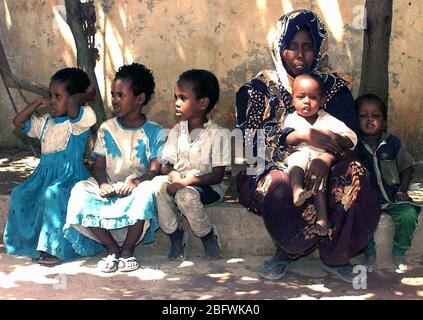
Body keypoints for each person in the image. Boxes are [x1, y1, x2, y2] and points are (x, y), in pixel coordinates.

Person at [235, 10, 381, 283]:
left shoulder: (333, 87)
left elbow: (351, 136)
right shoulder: (259, 88)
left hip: (327, 163)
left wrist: (325, 157)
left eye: (307, 47)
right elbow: (252, 145)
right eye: (292, 46)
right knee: (281, 185)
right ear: (280, 48)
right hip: (272, 166)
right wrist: (302, 138)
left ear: (318, 49)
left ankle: (337, 254)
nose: (300, 55)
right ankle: (285, 250)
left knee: (356, 174)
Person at [64, 63, 164, 273]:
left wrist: (135, 182)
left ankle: (127, 251)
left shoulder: (155, 132)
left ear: (140, 99)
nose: (115, 99)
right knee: (80, 191)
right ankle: (111, 249)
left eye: (121, 94)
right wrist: (102, 184)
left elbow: (154, 170)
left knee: (147, 193)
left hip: (137, 186)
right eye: (113, 94)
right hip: (109, 186)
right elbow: (99, 166)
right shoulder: (106, 128)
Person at [3, 67, 97, 265]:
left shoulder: (80, 121)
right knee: (20, 193)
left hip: (69, 177)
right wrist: (38, 102)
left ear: (75, 97)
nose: (52, 101)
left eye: (57, 96)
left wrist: (87, 95)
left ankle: (53, 248)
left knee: (53, 193)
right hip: (43, 176)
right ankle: (26, 244)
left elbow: (72, 103)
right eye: (50, 95)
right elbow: (18, 121)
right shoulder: (46, 121)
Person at [152, 69, 231, 261]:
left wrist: (186, 182)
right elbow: (165, 166)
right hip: (179, 183)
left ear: (202, 103)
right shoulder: (177, 131)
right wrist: (176, 177)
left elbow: (217, 175)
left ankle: (208, 236)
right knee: (156, 186)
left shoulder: (219, 134)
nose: (176, 103)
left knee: (186, 195)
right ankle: (176, 235)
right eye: (175, 97)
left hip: (208, 187)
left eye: (182, 98)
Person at [284, 73, 357, 237]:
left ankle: (322, 219)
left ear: (323, 100)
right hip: (300, 153)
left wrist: (335, 137)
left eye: (313, 97)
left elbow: (351, 138)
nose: (306, 102)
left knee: (319, 180)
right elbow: (285, 137)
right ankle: (297, 190)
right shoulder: (290, 119)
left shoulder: (328, 120)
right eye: (301, 97)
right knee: (296, 161)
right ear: (292, 99)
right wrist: (300, 136)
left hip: (319, 159)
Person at [355, 94, 420, 273]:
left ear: (383, 122)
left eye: (375, 116)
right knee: (360, 217)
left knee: (408, 214)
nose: (369, 120)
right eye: (363, 116)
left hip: (392, 198)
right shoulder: (354, 146)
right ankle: (369, 255)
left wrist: (402, 190)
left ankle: (399, 253)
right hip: (367, 200)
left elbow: (407, 166)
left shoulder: (392, 143)